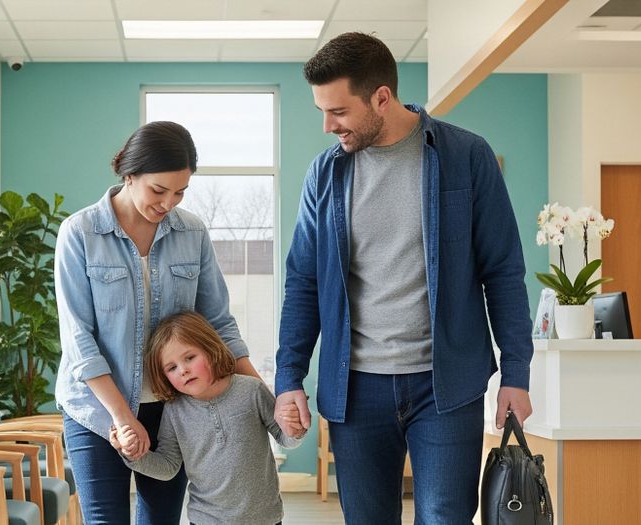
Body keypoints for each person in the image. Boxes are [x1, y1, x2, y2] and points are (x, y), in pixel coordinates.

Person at [273, 32, 535, 524]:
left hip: (446, 384)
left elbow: (502, 271)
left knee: (445, 516)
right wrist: (289, 377)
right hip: (355, 387)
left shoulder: (466, 157)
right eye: (322, 112)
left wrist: (515, 374)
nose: (329, 126)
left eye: (340, 112)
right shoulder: (324, 175)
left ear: (381, 97)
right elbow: (303, 282)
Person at [54, 121, 263, 525]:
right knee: (104, 519)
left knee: (161, 519)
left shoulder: (192, 232)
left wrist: (257, 392)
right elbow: (78, 338)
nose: (169, 202)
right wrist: (121, 416)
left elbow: (217, 320)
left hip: (173, 405)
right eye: (159, 190)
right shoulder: (80, 233)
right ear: (129, 175)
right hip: (97, 408)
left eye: (180, 191)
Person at [110, 311, 302, 525]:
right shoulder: (174, 411)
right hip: (205, 520)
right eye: (172, 368)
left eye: (190, 358)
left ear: (210, 349)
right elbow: (168, 466)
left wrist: (294, 429)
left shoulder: (252, 390)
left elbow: (284, 437)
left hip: (266, 519)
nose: (183, 370)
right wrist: (133, 454)